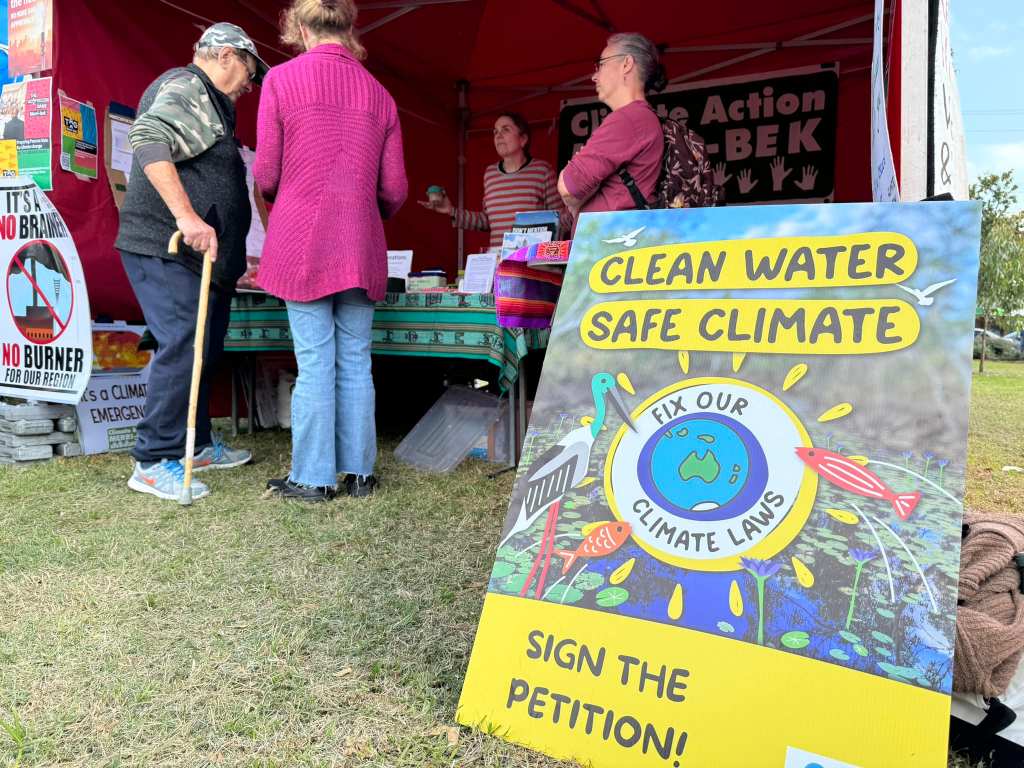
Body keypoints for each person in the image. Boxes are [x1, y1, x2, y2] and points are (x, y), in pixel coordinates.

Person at [254, 0, 407, 502]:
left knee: (315, 360)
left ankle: (314, 477)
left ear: (300, 27)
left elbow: (266, 175)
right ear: (350, 28)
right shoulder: (380, 94)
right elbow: (395, 190)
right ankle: (360, 474)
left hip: (302, 240)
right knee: (356, 360)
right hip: (361, 242)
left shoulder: (281, 80)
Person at [115, 22, 268, 501]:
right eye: (249, 71)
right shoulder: (187, 85)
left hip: (203, 260)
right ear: (225, 55)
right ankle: (151, 459)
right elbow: (147, 136)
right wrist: (187, 216)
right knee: (184, 342)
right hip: (167, 244)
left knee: (203, 349)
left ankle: (195, 445)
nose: (250, 84)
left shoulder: (213, 103)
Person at [421, 112, 567, 250]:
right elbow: (487, 221)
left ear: (523, 139)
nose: (498, 135)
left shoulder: (542, 171)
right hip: (498, 262)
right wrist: (451, 211)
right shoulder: (490, 174)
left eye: (505, 129)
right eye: (495, 132)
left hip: (532, 262)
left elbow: (560, 220)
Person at [558, 33, 665, 218]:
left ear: (626, 64)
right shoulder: (641, 117)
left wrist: (577, 194)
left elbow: (568, 187)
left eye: (601, 64)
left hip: (610, 235)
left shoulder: (629, 119)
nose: (594, 76)